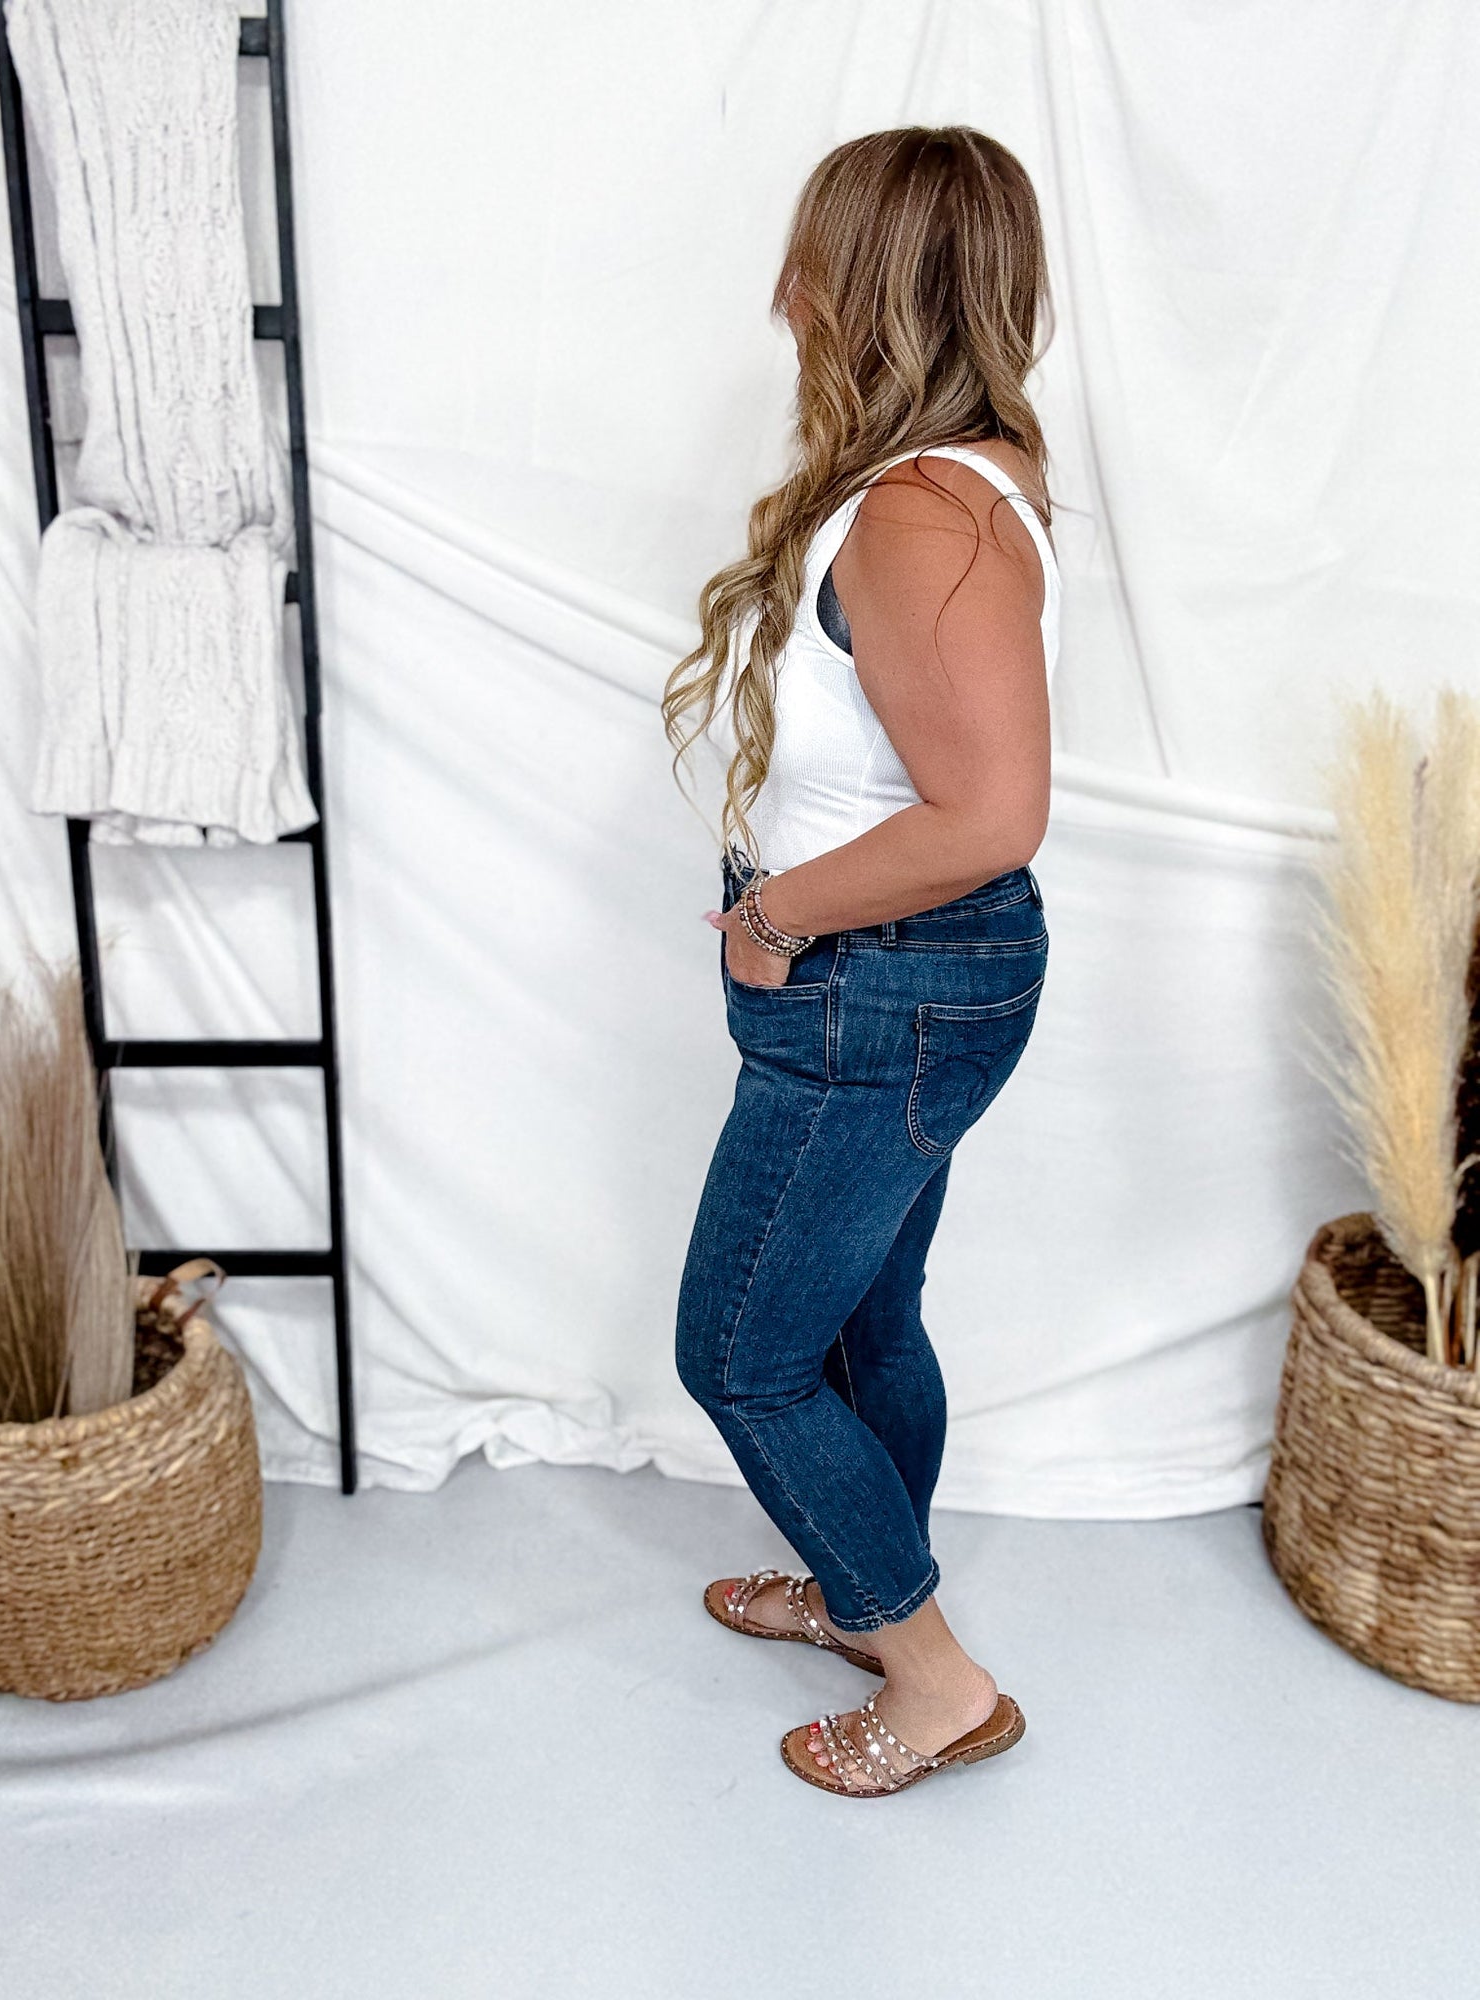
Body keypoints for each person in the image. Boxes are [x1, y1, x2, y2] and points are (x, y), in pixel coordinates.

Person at [661, 127, 1059, 1798]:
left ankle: (933, 1678)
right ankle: (855, 1589)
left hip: (874, 986)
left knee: (740, 1354)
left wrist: (777, 918)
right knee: (862, 1318)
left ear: (868, 285)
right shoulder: (966, 475)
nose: (784, 294)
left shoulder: (919, 515)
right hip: (906, 982)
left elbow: (994, 812)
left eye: (813, 258)